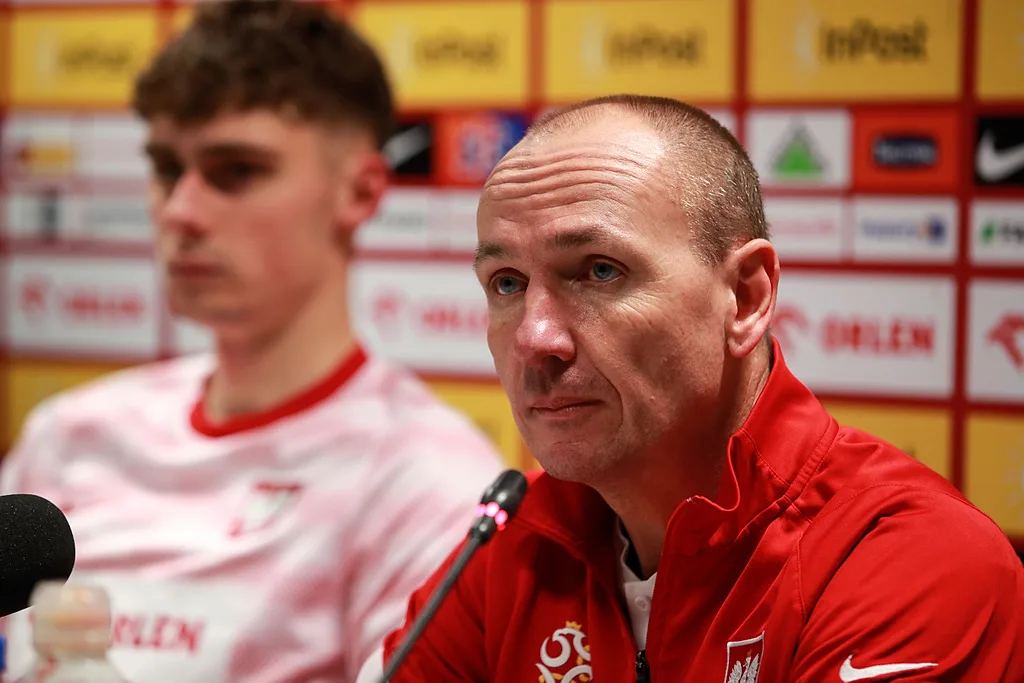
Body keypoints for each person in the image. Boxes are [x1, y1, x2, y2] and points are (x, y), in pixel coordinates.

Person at [358, 95, 1024, 682]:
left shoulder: (909, 559)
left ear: (745, 297)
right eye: (507, 283)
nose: (535, 338)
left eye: (599, 271)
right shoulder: (517, 545)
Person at [0, 1, 505, 680]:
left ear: (360, 193)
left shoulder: (428, 483)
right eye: (166, 168)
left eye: (236, 170)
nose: (181, 211)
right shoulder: (69, 434)